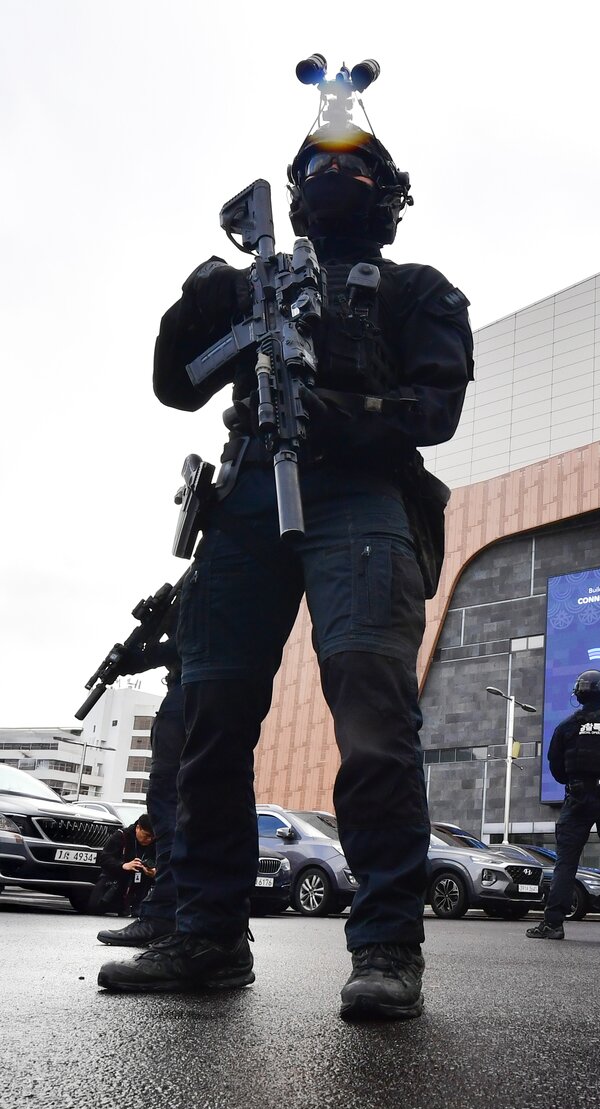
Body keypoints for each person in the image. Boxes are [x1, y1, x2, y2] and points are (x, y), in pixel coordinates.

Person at [99, 101, 474, 1020]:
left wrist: (344, 413)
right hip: (250, 493)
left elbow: (434, 413)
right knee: (211, 721)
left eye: (358, 168)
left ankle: (386, 944)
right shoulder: (255, 282)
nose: (336, 178)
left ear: (390, 200)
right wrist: (203, 299)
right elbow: (174, 385)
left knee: (374, 717)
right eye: (320, 167)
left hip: (363, 494)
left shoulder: (419, 290)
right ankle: (209, 932)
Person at [526, 670, 600, 943]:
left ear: (578, 694)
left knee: (566, 864)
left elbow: (556, 770)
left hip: (577, 800)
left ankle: (553, 924)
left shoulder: (566, 727)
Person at [98, 612, 182, 947]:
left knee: (171, 809)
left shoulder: (221, 573)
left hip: (192, 694)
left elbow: (196, 641)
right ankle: (197, 925)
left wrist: (145, 656)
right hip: (199, 694)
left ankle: (164, 919)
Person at [91, 815, 157, 917]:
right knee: (95, 908)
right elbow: (104, 858)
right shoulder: (121, 836)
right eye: (146, 835)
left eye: (152, 837)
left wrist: (154, 872)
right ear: (138, 828)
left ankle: (137, 907)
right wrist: (123, 865)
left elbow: (165, 865)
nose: (149, 840)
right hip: (117, 883)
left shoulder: (156, 842)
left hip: (142, 886)